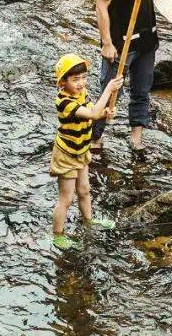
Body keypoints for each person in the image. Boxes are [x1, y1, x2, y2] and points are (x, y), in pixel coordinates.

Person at [92, 0, 165, 157]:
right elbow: (101, 6)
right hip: (120, 43)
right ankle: (95, 139)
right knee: (109, 91)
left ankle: (136, 140)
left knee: (141, 90)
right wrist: (106, 43)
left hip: (147, 38)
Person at [50, 54, 121, 248]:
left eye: (83, 77)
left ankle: (88, 220)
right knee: (66, 198)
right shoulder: (64, 102)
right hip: (66, 154)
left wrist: (106, 113)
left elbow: (92, 111)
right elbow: (90, 113)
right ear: (62, 82)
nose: (81, 83)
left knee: (85, 190)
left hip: (81, 150)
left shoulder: (81, 94)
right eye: (75, 79)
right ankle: (57, 234)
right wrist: (108, 89)